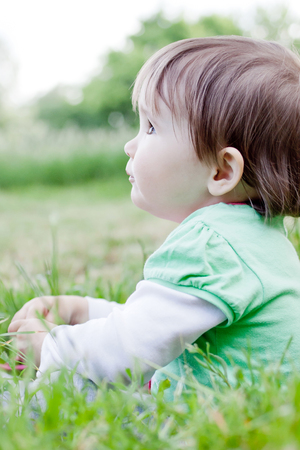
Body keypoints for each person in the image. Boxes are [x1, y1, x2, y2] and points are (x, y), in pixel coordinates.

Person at [8, 36, 300, 400]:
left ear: (222, 171)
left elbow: (126, 351)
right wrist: (84, 310)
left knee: (46, 394)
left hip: (206, 416)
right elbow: (160, 325)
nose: (130, 146)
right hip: (259, 408)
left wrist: (46, 344)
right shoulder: (256, 240)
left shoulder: (211, 247)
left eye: (151, 128)